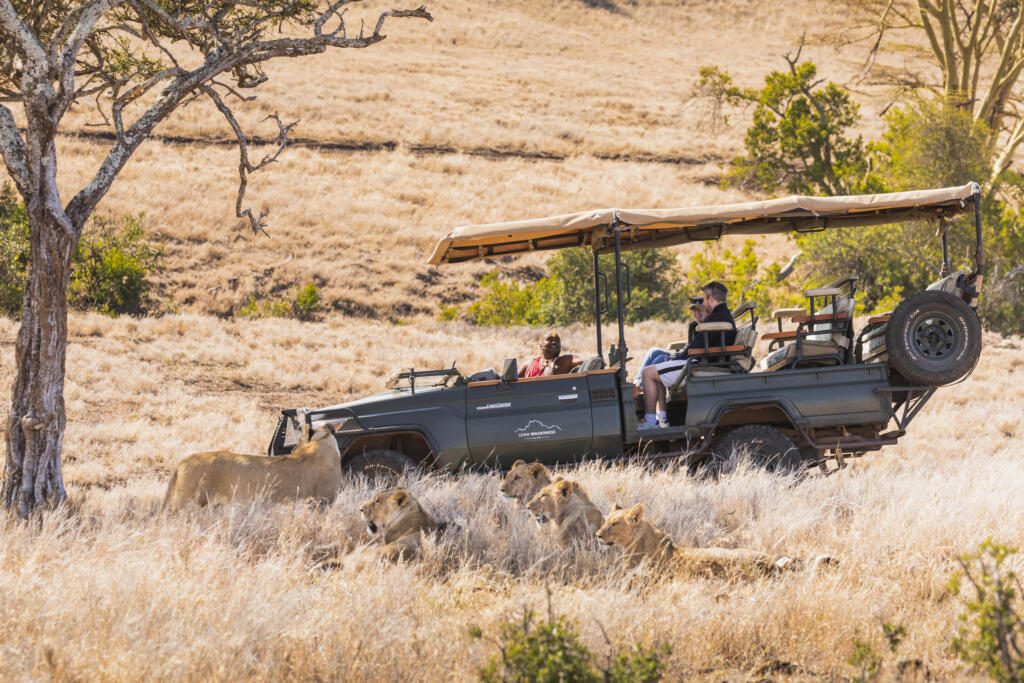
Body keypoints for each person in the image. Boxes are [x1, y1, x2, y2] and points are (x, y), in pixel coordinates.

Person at [637, 282, 735, 429]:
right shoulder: (721, 315)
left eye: (704, 298)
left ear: (711, 299)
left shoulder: (717, 319)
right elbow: (699, 344)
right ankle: (662, 421)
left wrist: (678, 358)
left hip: (699, 363)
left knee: (647, 373)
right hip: (700, 360)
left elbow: (696, 347)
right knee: (656, 368)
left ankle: (650, 422)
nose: (703, 303)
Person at [633, 299, 708, 384]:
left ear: (707, 311)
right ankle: (637, 382)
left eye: (700, 310)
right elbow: (690, 344)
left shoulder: (708, 326)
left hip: (693, 360)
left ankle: (642, 385)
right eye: (694, 310)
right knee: (653, 351)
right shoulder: (693, 325)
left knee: (661, 358)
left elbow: (695, 348)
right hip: (686, 355)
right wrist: (680, 354)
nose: (697, 313)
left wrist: (679, 356)